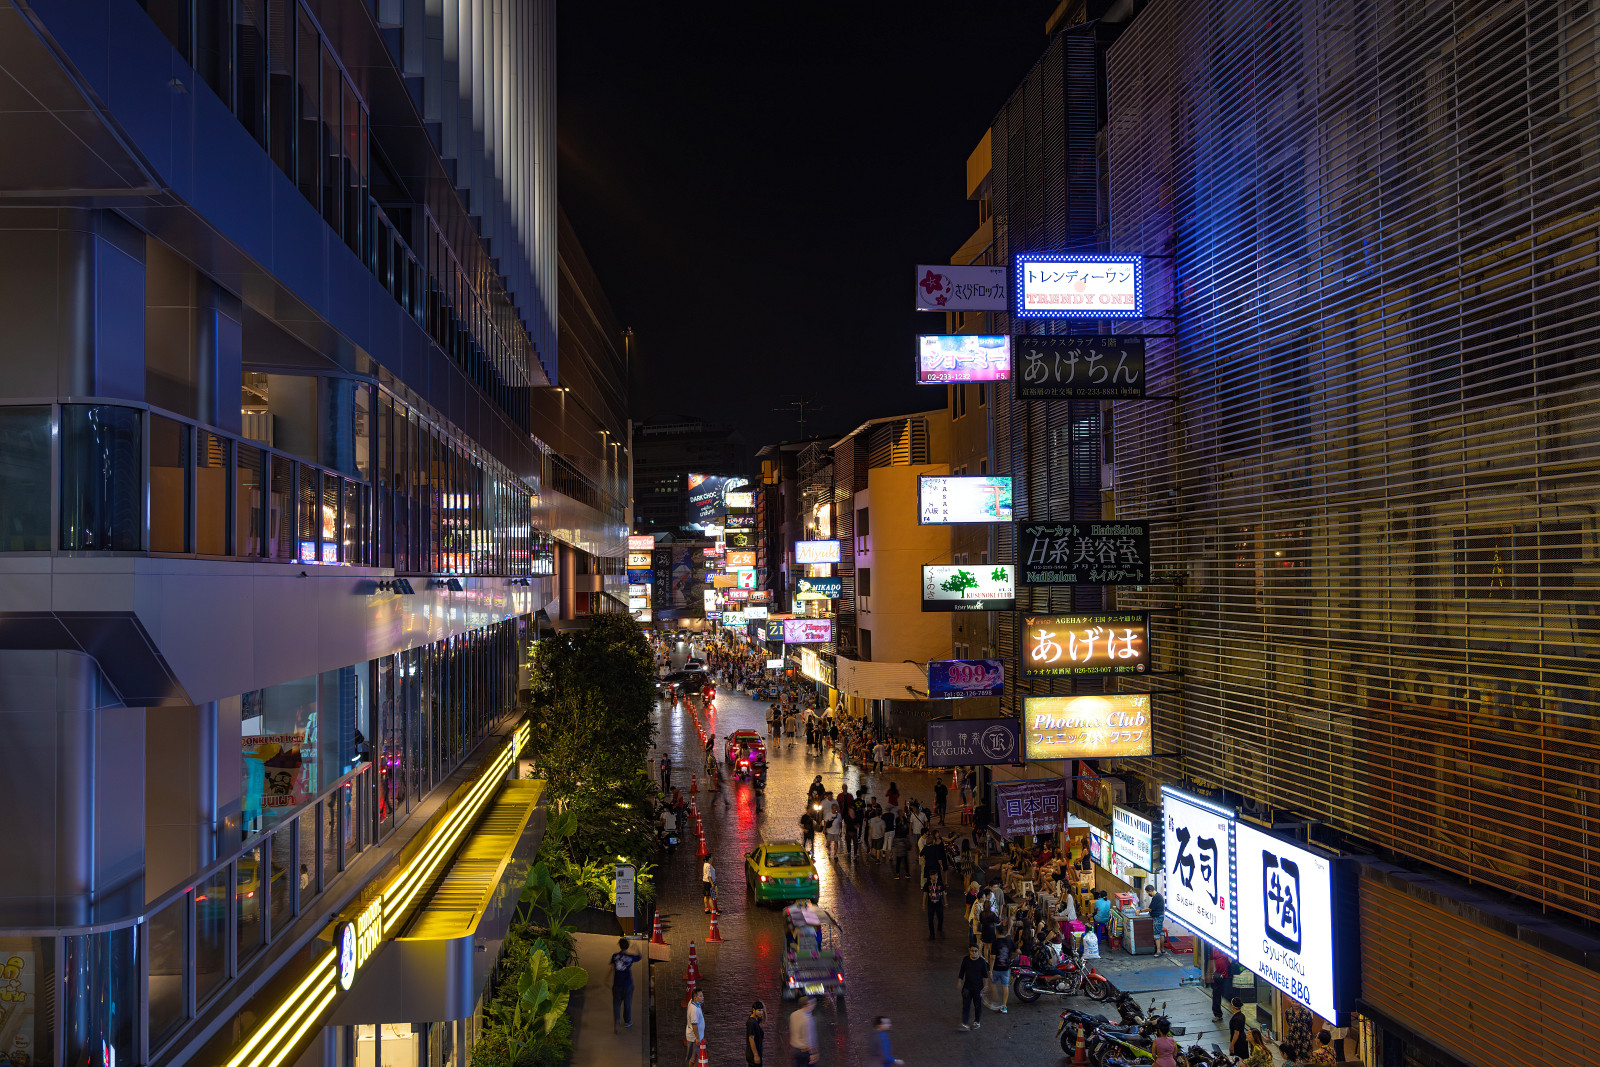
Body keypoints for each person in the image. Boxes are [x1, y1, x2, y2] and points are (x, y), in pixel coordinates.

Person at [609, 937, 642, 1032]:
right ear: (627, 946)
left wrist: (606, 979)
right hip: (628, 984)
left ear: (619, 946)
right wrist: (637, 948)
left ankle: (617, 1021)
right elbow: (640, 956)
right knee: (627, 1003)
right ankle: (627, 1021)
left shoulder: (615, 956)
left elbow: (611, 968)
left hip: (617, 984)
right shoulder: (630, 957)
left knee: (616, 1004)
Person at [957, 943, 988, 1030]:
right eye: (972, 951)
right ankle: (965, 1023)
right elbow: (962, 972)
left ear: (978, 951)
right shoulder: (966, 960)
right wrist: (959, 982)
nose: (974, 952)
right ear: (969, 951)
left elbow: (985, 976)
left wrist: (985, 986)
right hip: (967, 987)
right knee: (966, 1005)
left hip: (978, 988)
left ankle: (977, 1022)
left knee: (977, 1005)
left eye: (975, 951)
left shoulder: (982, 962)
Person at [990, 922, 1016, 1013]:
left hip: (996, 968)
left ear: (996, 932)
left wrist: (990, 970)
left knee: (993, 983)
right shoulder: (1009, 941)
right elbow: (1018, 951)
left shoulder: (995, 942)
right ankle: (1004, 1006)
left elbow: (992, 957)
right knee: (1005, 986)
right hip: (1006, 968)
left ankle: (995, 1001)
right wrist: (1011, 958)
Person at [789, 996, 818, 1066]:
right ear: (806, 1005)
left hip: (795, 1049)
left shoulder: (793, 1015)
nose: (813, 1006)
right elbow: (810, 1038)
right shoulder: (808, 1019)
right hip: (805, 1051)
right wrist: (813, 1053)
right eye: (812, 1004)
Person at [685, 989, 706, 1067]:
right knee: (693, 1058)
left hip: (693, 1036)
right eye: (700, 996)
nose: (703, 997)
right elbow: (694, 1025)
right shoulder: (694, 1010)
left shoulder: (692, 1002)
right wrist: (697, 1038)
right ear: (695, 998)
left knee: (693, 1057)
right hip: (694, 1038)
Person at [1210, 950, 1233, 1020]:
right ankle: (1218, 1015)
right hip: (1218, 975)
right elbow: (1212, 961)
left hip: (1227, 976)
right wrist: (1212, 973)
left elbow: (1231, 961)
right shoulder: (1215, 950)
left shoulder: (1228, 950)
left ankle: (1234, 1011)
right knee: (1216, 995)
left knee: (1227, 994)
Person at [924, 869, 946, 939]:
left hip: (939, 904)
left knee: (941, 917)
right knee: (930, 919)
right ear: (930, 876)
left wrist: (945, 902)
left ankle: (939, 927)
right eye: (933, 875)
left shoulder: (940, 883)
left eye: (936, 875)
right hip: (931, 905)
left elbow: (943, 893)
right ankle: (932, 934)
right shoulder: (927, 884)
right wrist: (923, 904)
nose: (935, 877)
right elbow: (925, 894)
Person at [1145, 883, 1166, 955]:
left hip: (1157, 917)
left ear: (1150, 891)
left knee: (1156, 934)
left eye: (1148, 892)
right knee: (1161, 933)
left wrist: (1140, 911)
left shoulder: (1156, 897)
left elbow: (1150, 908)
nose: (1148, 894)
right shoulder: (1159, 896)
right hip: (1160, 916)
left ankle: (1158, 951)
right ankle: (1162, 949)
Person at [746, 1001, 767, 1066]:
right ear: (753, 1010)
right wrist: (756, 1055)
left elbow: (764, 1019)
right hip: (753, 1055)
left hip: (756, 1053)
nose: (761, 1012)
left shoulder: (755, 1020)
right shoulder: (752, 1023)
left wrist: (763, 1007)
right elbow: (751, 1038)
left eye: (762, 1010)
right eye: (759, 1010)